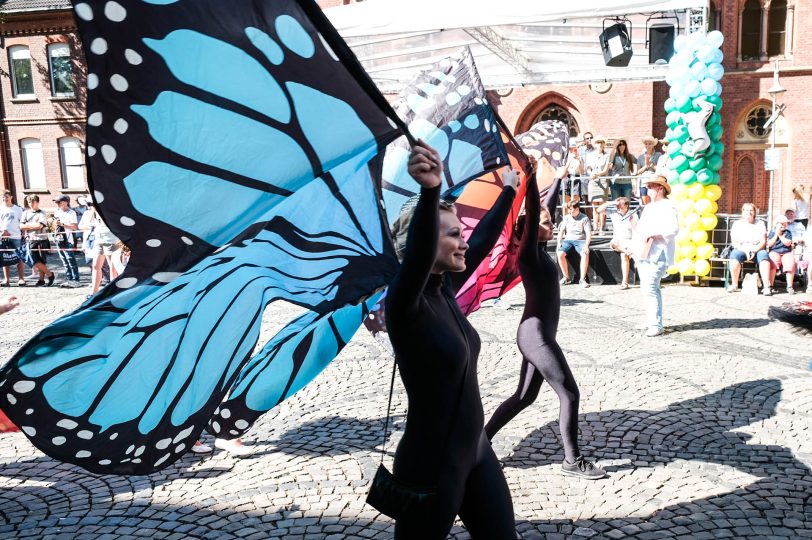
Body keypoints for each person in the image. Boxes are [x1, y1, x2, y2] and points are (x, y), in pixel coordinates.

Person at [385, 140, 518, 538]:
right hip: (429, 466)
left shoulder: (445, 286)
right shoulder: (404, 302)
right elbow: (419, 257)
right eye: (452, 234)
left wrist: (509, 190)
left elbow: (481, 242)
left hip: (475, 451)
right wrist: (430, 191)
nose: (463, 241)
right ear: (424, 242)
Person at [484, 164, 606, 480]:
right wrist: (532, 178)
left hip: (535, 334)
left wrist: (559, 179)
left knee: (524, 397)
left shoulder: (540, 248)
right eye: (545, 223)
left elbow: (544, 210)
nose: (551, 225)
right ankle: (572, 460)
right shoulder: (528, 255)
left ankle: (479, 443)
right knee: (570, 394)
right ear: (528, 229)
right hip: (535, 336)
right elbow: (537, 212)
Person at [632, 176, 679, 337]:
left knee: (651, 287)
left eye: (651, 186)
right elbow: (641, 229)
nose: (648, 189)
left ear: (660, 189)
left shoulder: (668, 206)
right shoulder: (650, 207)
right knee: (647, 288)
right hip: (645, 251)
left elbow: (673, 230)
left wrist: (654, 233)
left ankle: (655, 324)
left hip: (658, 253)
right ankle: (651, 319)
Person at [726, 203, 770, 294]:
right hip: (741, 248)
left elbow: (763, 241)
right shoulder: (737, 224)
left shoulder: (760, 223)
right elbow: (734, 241)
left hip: (756, 248)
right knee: (734, 257)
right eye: (746, 210)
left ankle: (766, 287)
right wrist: (744, 250)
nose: (749, 212)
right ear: (742, 212)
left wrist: (755, 250)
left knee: (764, 257)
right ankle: (734, 284)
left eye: (751, 210)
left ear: (754, 212)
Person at [595, 197, 638, 289]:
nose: (618, 206)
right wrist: (612, 202)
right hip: (617, 240)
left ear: (626, 205)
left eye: (620, 204)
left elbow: (636, 230)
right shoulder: (613, 212)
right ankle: (626, 252)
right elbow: (598, 210)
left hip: (629, 240)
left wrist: (634, 244)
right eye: (617, 205)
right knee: (614, 243)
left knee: (624, 256)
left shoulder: (633, 215)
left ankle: (625, 282)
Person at [79, 202, 121, 295]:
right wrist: (93, 209)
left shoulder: (109, 207)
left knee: (113, 268)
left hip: (111, 239)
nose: (90, 205)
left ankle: (113, 293)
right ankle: (93, 293)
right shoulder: (93, 211)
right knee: (95, 266)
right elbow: (88, 222)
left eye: (91, 204)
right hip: (99, 239)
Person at [19, 196, 55, 286]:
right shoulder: (25, 213)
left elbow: (40, 226)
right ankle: (50, 274)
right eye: (29, 202)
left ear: (37, 202)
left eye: (33, 202)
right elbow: (21, 226)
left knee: (41, 260)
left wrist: (28, 225)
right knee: (33, 260)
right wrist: (33, 225)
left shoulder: (42, 213)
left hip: (41, 239)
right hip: (30, 239)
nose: (30, 204)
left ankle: (41, 279)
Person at [556, 200, 592, 288]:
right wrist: (559, 243)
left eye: (571, 209)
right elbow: (561, 231)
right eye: (569, 209)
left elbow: (588, 233)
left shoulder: (584, 218)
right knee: (560, 254)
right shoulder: (567, 217)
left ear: (577, 209)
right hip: (568, 240)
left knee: (585, 253)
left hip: (580, 240)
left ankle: (582, 279)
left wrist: (586, 245)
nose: (569, 211)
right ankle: (566, 278)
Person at [53, 195, 82, 288]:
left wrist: (62, 224)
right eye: (57, 202)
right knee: (64, 261)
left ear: (65, 202)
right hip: (59, 239)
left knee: (71, 260)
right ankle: (68, 279)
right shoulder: (57, 212)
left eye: (59, 202)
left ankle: (76, 279)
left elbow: (74, 227)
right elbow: (54, 226)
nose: (57, 204)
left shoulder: (71, 213)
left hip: (68, 239)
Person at [765, 215, 796, 295]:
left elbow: (788, 243)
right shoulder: (772, 232)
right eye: (781, 224)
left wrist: (781, 236)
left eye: (785, 224)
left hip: (786, 252)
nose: (784, 225)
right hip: (774, 251)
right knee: (772, 263)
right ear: (776, 224)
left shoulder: (788, 232)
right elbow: (770, 244)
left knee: (790, 263)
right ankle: (770, 285)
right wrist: (776, 234)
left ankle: (789, 286)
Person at [0, 190, 26, 287]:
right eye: (3, 197)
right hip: (4, 237)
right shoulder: (0, 209)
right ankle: (6, 280)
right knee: (5, 258)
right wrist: (2, 231)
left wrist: (23, 233)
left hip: (16, 236)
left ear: (11, 197)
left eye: (6, 196)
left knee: (20, 257)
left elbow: (22, 222)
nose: (4, 198)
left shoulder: (18, 209)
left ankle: (21, 279)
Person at [586, 135, 610, 233]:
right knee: (594, 206)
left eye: (601, 142)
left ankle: (601, 228)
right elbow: (588, 168)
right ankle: (595, 227)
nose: (599, 144)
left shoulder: (607, 155)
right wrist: (591, 174)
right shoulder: (590, 155)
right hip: (593, 182)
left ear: (604, 144)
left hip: (602, 181)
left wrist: (597, 174)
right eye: (598, 142)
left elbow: (605, 170)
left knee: (602, 206)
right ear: (595, 144)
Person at [636, 135, 663, 205]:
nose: (648, 145)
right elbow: (637, 172)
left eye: (650, 143)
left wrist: (651, 164)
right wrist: (645, 166)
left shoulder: (659, 155)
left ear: (653, 145)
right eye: (646, 144)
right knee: (645, 203)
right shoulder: (640, 157)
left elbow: (660, 169)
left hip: (654, 181)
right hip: (643, 182)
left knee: (655, 201)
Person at [561, 142, 582, 216]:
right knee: (567, 201)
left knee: (575, 200)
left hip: (576, 177)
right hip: (567, 177)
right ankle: (567, 218)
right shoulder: (565, 156)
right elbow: (564, 169)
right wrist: (570, 159)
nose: (573, 150)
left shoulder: (579, 157)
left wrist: (580, 160)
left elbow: (582, 171)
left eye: (575, 148)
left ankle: (575, 216)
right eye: (571, 148)